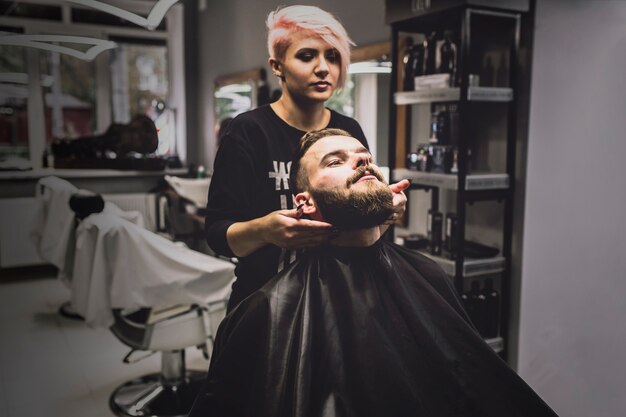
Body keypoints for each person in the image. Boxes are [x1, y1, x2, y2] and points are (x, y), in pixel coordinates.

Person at [188, 129, 559, 417]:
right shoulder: (267, 310)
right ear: (305, 202)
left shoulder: (428, 276)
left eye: (366, 159)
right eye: (335, 162)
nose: (362, 163)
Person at [204, 5, 410, 312]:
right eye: (306, 56)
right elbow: (218, 235)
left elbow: (361, 223)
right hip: (266, 301)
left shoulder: (348, 130)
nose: (323, 68)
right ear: (277, 66)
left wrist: (384, 210)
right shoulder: (249, 130)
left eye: (332, 56)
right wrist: (264, 230)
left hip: (339, 296)